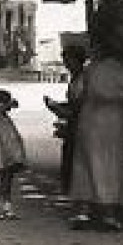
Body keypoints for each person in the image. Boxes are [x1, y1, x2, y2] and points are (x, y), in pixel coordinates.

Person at [66, 27, 123, 232]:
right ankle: (109, 215)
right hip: (114, 124)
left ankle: (83, 212)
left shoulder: (89, 70)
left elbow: (75, 95)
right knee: (111, 167)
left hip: (89, 121)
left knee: (85, 165)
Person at [45, 44, 88, 195]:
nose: (66, 65)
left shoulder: (83, 79)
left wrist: (59, 109)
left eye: (69, 61)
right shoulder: (76, 78)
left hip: (80, 125)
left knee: (74, 159)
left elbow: (79, 106)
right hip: (74, 124)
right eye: (65, 61)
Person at [0, 88, 26, 221]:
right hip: (5, 156)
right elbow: (1, 141)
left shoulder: (2, 116)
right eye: (4, 103)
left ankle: (7, 207)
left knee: (8, 183)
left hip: (10, 155)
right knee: (3, 183)